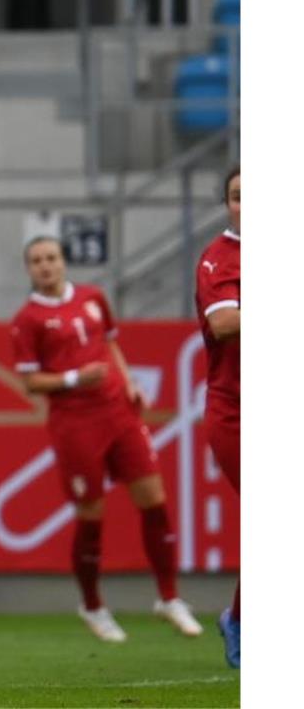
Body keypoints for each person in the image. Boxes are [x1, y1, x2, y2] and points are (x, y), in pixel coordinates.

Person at [10, 237, 203, 642]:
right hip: (76, 423)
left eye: (52, 258)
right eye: (37, 261)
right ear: (29, 269)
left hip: (119, 412)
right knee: (91, 514)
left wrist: (129, 381)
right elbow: (30, 381)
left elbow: (110, 342)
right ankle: (93, 606)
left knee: (154, 499)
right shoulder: (27, 319)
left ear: (64, 262)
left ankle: (169, 597)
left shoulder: (93, 297)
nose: (46, 266)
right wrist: (73, 379)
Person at [195, 167, 240, 668]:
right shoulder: (218, 259)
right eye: (236, 196)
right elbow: (226, 323)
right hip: (236, 412)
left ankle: (238, 617)